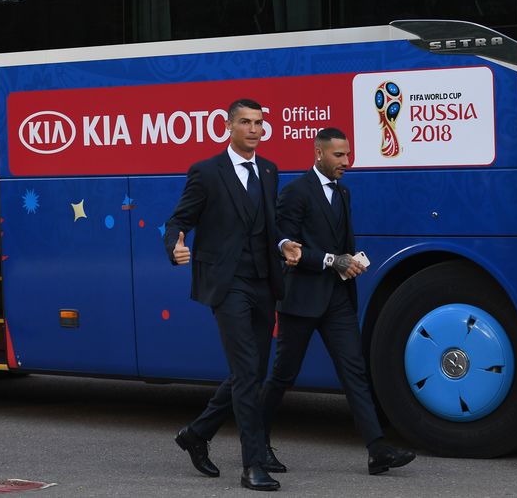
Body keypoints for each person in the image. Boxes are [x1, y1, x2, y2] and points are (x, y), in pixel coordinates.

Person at [163, 98, 301, 492]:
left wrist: (285, 244)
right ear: (228, 127)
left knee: (253, 371)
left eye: (259, 123)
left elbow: (270, 226)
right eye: (245, 122)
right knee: (246, 372)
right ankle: (252, 464)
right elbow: (179, 219)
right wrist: (175, 245)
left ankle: (196, 432)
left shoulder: (270, 171)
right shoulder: (206, 172)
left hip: (263, 283)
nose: (254, 129)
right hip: (227, 285)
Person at [260, 127, 415, 475]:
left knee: (354, 373)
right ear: (318, 153)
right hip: (301, 301)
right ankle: (257, 443)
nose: (347, 161)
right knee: (284, 375)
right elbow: (287, 246)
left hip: (337, 300)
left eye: (347, 154)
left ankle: (377, 450)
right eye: (339, 155)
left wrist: (349, 262)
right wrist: (333, 260)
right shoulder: (295, 192)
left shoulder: (343, 192)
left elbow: (338, 243)